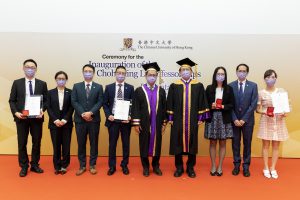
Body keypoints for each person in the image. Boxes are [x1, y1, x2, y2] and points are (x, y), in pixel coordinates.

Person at [167, 58, 210, 178]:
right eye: (183, 70)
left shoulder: (198, 85)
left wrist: (201, 117)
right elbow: (170, 102)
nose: (185, 72)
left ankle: (190, 167)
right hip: (178, 121)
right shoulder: (174, 86)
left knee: (192, 143)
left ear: (191, 72)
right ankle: (179, 167)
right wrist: (170, 117)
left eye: (187, 69)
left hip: (192, 121)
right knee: (177, 143)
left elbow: (202, 101)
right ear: (179, 72)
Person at [9, 59, 48, 177]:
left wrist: (42, 110)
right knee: (22, 143)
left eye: (32, 67)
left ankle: (35, 164)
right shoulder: (17, 83)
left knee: (36, 142)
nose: (30, 69)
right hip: (22, 118)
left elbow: (46, 101)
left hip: (36, 118)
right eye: (27, 67)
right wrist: (16, 113)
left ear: (36, 69)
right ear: (23, 68)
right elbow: (12, 100)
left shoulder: (42, 84)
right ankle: (24, 166)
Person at [131, 62, 167, 177]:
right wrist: (136, 123)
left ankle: (156, 165)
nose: (152, 77)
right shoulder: (139, 90)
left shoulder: (161, 91)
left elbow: (164, 107)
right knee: (144, 144)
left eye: (154, 75)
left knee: (158, 145)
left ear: (156, 76)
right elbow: (135, 107)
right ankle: (145, 166)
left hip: (156, 123)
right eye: (150, 75)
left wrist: (164, 123)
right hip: (144, 124)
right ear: (145, 76)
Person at [256, 69, 289, 179]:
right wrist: (265, 112)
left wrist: (285, 112)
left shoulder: (281, 91)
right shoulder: (261, 93)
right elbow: (257, 109)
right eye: (268, 77)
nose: (270, 79)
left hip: (278, 121)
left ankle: (273, 168)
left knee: (276, 146)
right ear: (264, 79)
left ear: (276, 78)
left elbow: (287, 106)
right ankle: (265, 167)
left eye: (273, 77)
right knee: (265, 146)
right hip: (266, 121)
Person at [71, 64, 103, 176]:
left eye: (90, 71)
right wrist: (83, 113)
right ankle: (82, 165)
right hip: (80, 120)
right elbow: (74, 101)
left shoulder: (99, 87)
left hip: (94, 120)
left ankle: (93, 165)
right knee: (81, 143)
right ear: (83, 72)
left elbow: (100, 102)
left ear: (93, 73)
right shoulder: (76, 86)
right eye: (86, 71)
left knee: (94, 143)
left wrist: (91, 113)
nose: (88, 73)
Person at [103, 65, 134, 176]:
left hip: (125, 122)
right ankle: (112, 166)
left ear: (125, 75)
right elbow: (105, 104)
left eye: (123, 73)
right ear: (115, 74)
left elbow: (132, 104)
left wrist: (130, 116)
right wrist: (108, 115)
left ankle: (124, 165)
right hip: (113, 121)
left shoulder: (130, 88)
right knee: (112, 144)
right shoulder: (109, 87)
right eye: (119, 73)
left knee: (126, 144)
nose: (121, 75)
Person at [204, 67, 234, 176]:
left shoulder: (229, 89)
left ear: (225, 76)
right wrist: (211, 106)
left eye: (222, 74)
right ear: (215, 75)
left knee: (222, 142)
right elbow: (204, 103)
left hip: (224, 118)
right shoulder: (209, 88)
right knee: (212, 142)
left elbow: (231, 105)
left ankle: (220, 166)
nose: (220, 76)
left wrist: (222, 106)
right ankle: (213, 165)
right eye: (218, 74)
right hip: (212, 118)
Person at [229, 64, 258, 177]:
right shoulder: (230, 86)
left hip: (248, 121)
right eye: (240, 71)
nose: (242, 73)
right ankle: (236, 165)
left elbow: (253, 104)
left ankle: (246, 166)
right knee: (235, 144)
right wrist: (235, 118)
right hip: (234, 121)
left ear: (247, 73)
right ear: (236, 72)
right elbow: (229, 104)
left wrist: (244, 119)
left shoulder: (253, 86)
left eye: (244, 71)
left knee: (247, 144)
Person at [47, 71, 74, 175]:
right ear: (56, 79)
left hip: (67, 123)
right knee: (56, 145)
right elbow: (48, 107)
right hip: (54, 123)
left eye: (63, 79)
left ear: (66, 80)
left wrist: (64, 119)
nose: (61, 80)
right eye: (59, 78)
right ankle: (57, 166)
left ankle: (64, 165)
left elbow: (72, 107)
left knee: (66, 146)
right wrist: (55, 120)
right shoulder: (50, 92)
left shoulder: (71, 92)